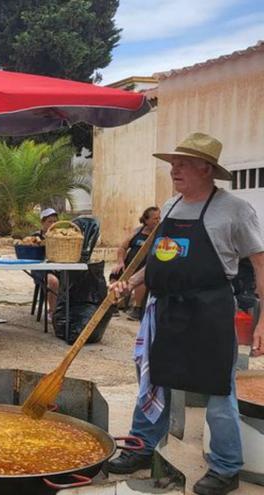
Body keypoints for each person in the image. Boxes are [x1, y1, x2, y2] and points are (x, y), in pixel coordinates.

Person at [106, 132, 264, 495]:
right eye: (173, 163)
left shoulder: (235, 209)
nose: (173, 169)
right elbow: (163, 257)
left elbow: (260, 265)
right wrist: (132, 283)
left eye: (182, 163)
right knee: (154, 377)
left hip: (209, 311)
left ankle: (226, 468)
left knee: (217, 389)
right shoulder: (172, 204)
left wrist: (263, 322)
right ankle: (142, 448)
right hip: (165, 309)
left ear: (206, 168)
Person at [110, 206, 161, 320]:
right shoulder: (137, 231)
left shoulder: (160, 234)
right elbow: (122, 248)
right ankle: (113, 304)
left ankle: (137, 308)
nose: (158, 221)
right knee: (115, 274)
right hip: (129, 266)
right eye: (155, 219)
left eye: (159, 218)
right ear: (146, 220)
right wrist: (120, 263)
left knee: (143, 279)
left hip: (146, 267)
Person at [32, 208, 60, 321]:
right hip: (40, 270)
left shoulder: (60, 237)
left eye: (55, 221)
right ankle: (52, 311)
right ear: (42, 222)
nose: (52, 224)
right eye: (49, 221)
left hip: (58, 268)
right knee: (53, 282)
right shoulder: (35, 237)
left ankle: (66, 310)